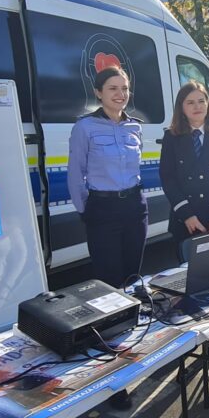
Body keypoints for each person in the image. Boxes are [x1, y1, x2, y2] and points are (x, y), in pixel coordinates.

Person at [67, 66, 146, 288]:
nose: (121, 94)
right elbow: (75, 173)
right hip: (103, 209)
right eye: (113, 88)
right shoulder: (84, 127)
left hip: (135, 207)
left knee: (133, 276)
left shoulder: (134, 127)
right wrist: (85, 210)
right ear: (98, 92)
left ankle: (133, 310)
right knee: (109, 278)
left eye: (125, 88)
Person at [159, 81, 209, 262]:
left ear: (208, 104)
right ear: (181, 107)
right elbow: (168, 178)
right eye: (190, 102)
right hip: (186, 222)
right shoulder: (171, 137)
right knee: (189, 274)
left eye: (201, 101)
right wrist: (187, 216)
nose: (197, 107)